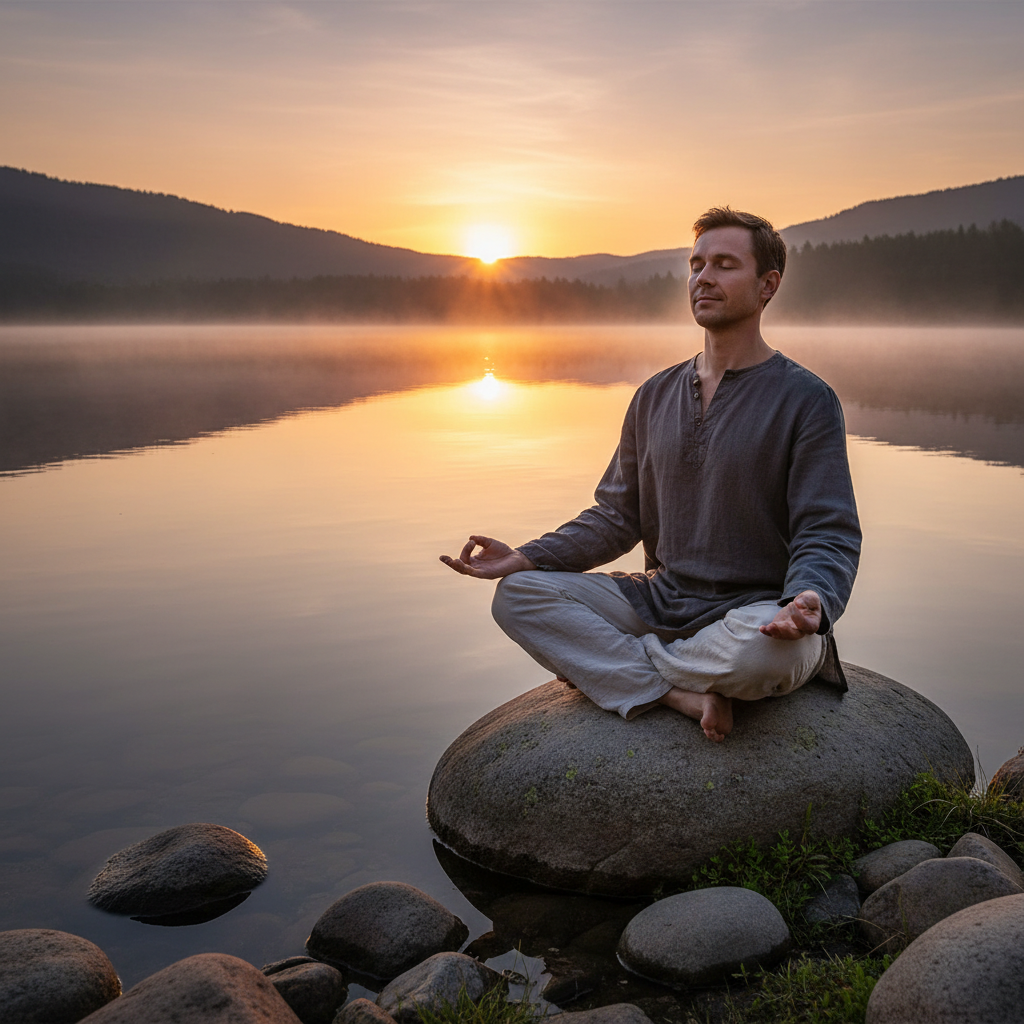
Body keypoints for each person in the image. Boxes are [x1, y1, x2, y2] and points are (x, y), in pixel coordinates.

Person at [440, 208, 861, 742]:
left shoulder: (807, 400)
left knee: (761, 657)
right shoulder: (654, 395)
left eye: (725, 265)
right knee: (518, 595)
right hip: (661, 599)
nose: (703, 277)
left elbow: (827, 531)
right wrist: (529, 556)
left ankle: (613, 669)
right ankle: (675, 690)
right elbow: (618, 516)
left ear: (767, 286)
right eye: (696, 264)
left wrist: (811, 600)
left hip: (757, 612)